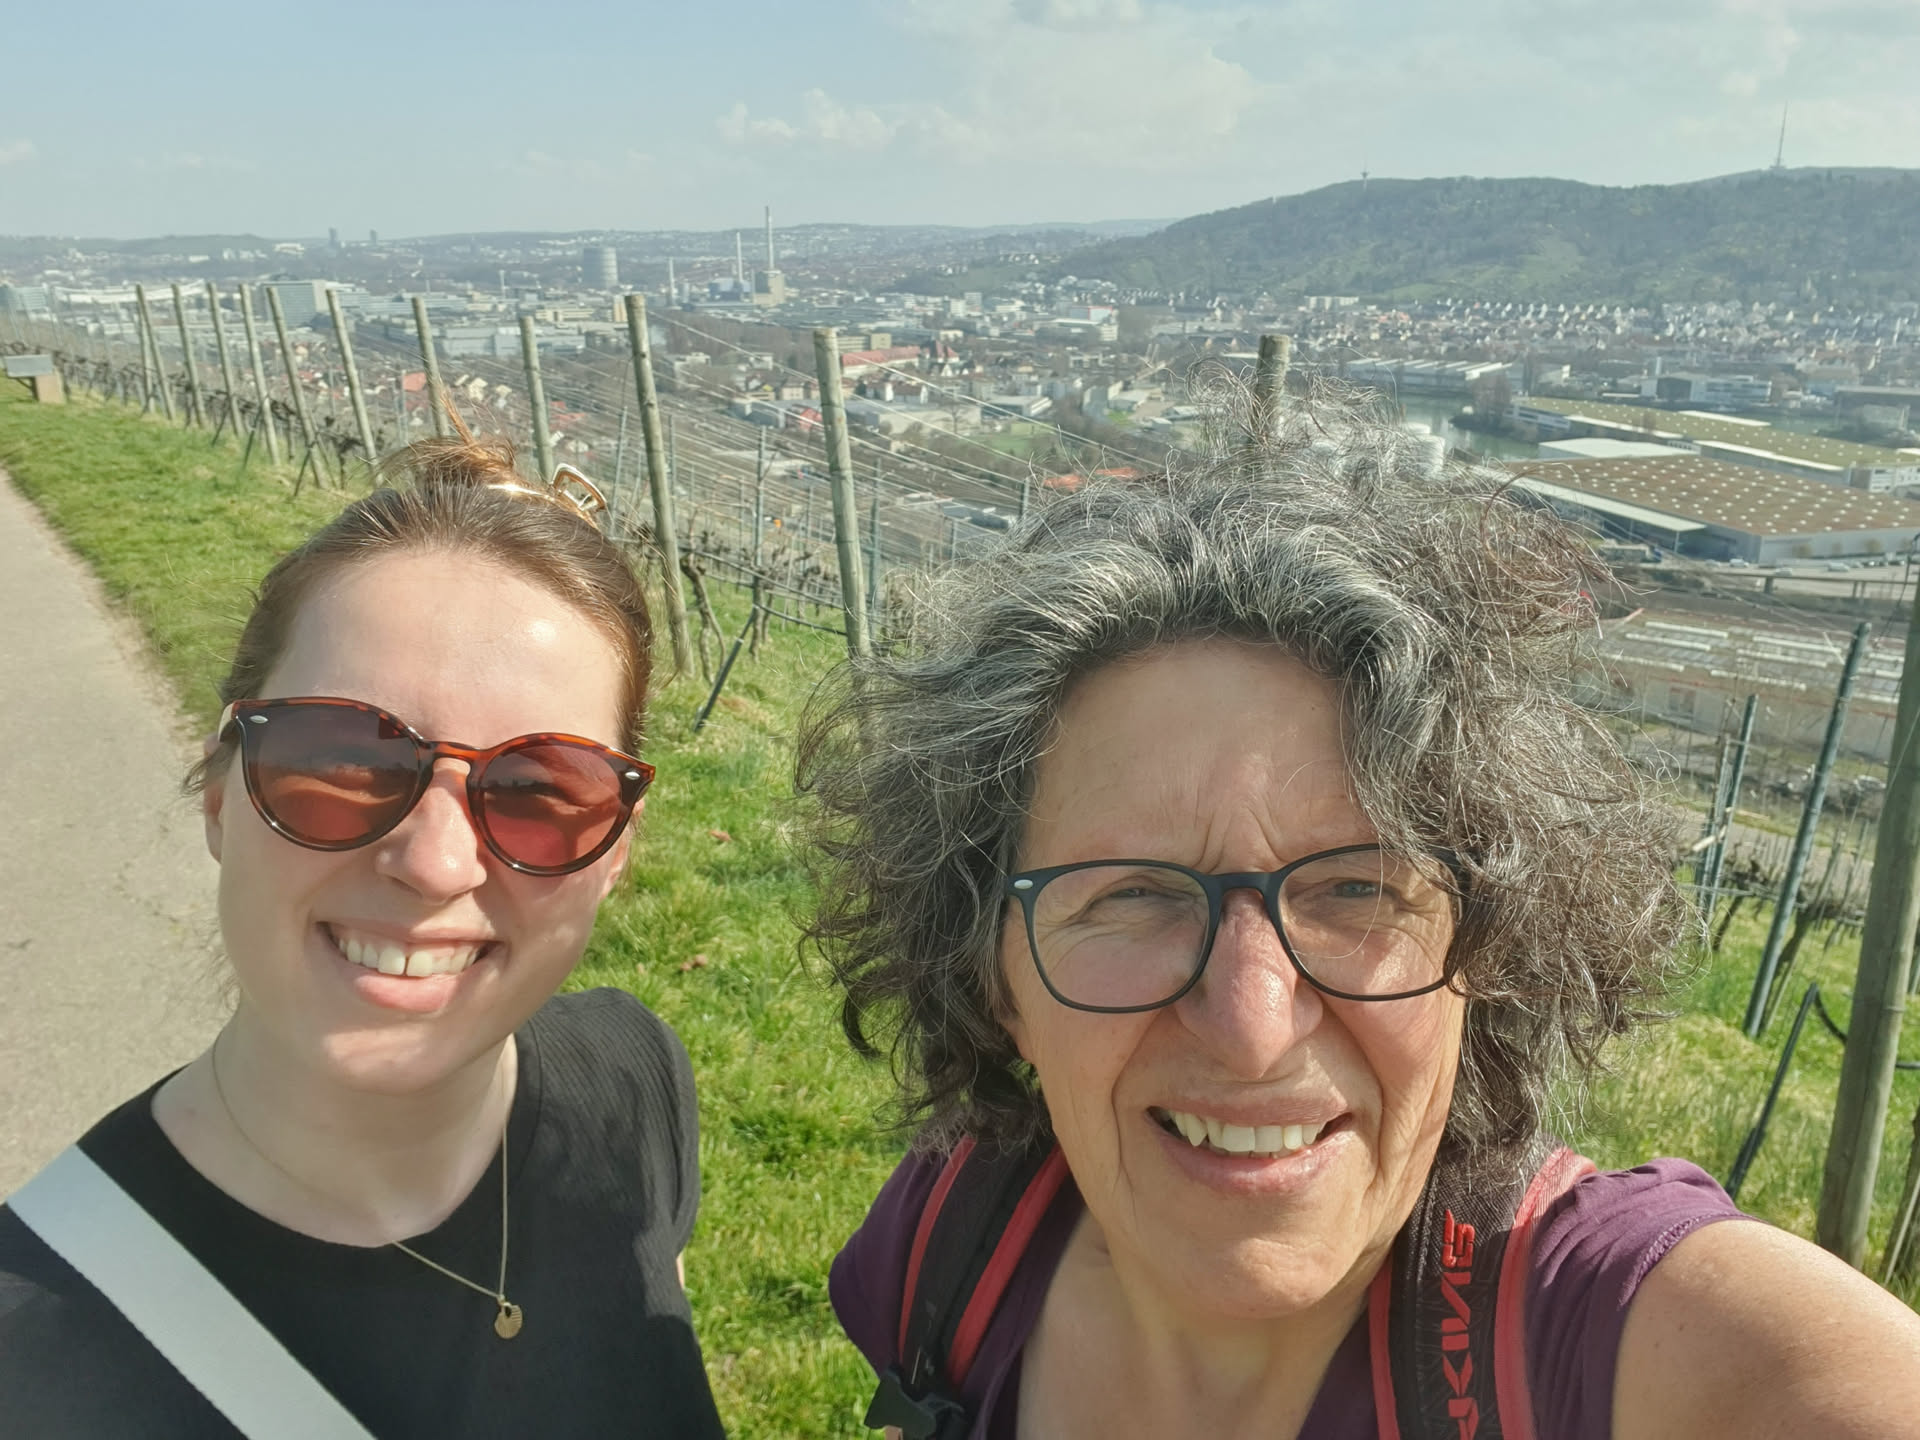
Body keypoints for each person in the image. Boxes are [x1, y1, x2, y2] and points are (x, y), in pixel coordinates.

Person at [801, 391, 1920, 1439]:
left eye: (1356, 889)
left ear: (1488, 951)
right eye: (1132, 894)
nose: (1251, 1025)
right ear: (994, 976)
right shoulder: (949, 1248)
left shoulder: (1593, 1339)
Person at [0, 439, 725, 1437]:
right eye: (343, 759)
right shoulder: (30, 1362)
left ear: (615, 852)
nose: (436, 863)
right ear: (220, 794)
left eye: (538, 790)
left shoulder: (634, 1084)